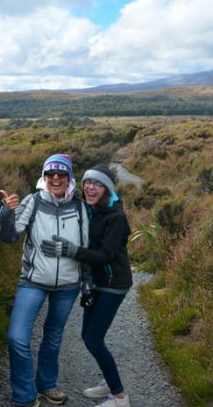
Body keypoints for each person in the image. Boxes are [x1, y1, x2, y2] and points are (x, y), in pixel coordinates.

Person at [0, 153, 92, 407]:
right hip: (33, 281)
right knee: (17, 337)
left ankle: (46, 385)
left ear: (70, 177)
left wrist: (86, 282)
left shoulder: (80, 207)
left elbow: (85, 249)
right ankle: (25, 397)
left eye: (62, 174)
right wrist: (7, 213)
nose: (56, 178)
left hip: (68, 286)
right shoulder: (34, 201)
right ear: (44, 176)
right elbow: (9, 236)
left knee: (53, 336)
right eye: (51, 173)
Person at [41, 164, 133, 407]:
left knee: (93, 339)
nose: (91, 187)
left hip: (114, 283)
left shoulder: (116, 218)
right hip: (98, 282)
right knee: (87, 335)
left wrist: (72, 251)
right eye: (88, 182)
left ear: (107, 189)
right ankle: (109, 382)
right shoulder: (91, 209)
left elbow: (104, 255)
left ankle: (120, 397)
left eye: (98, 184)